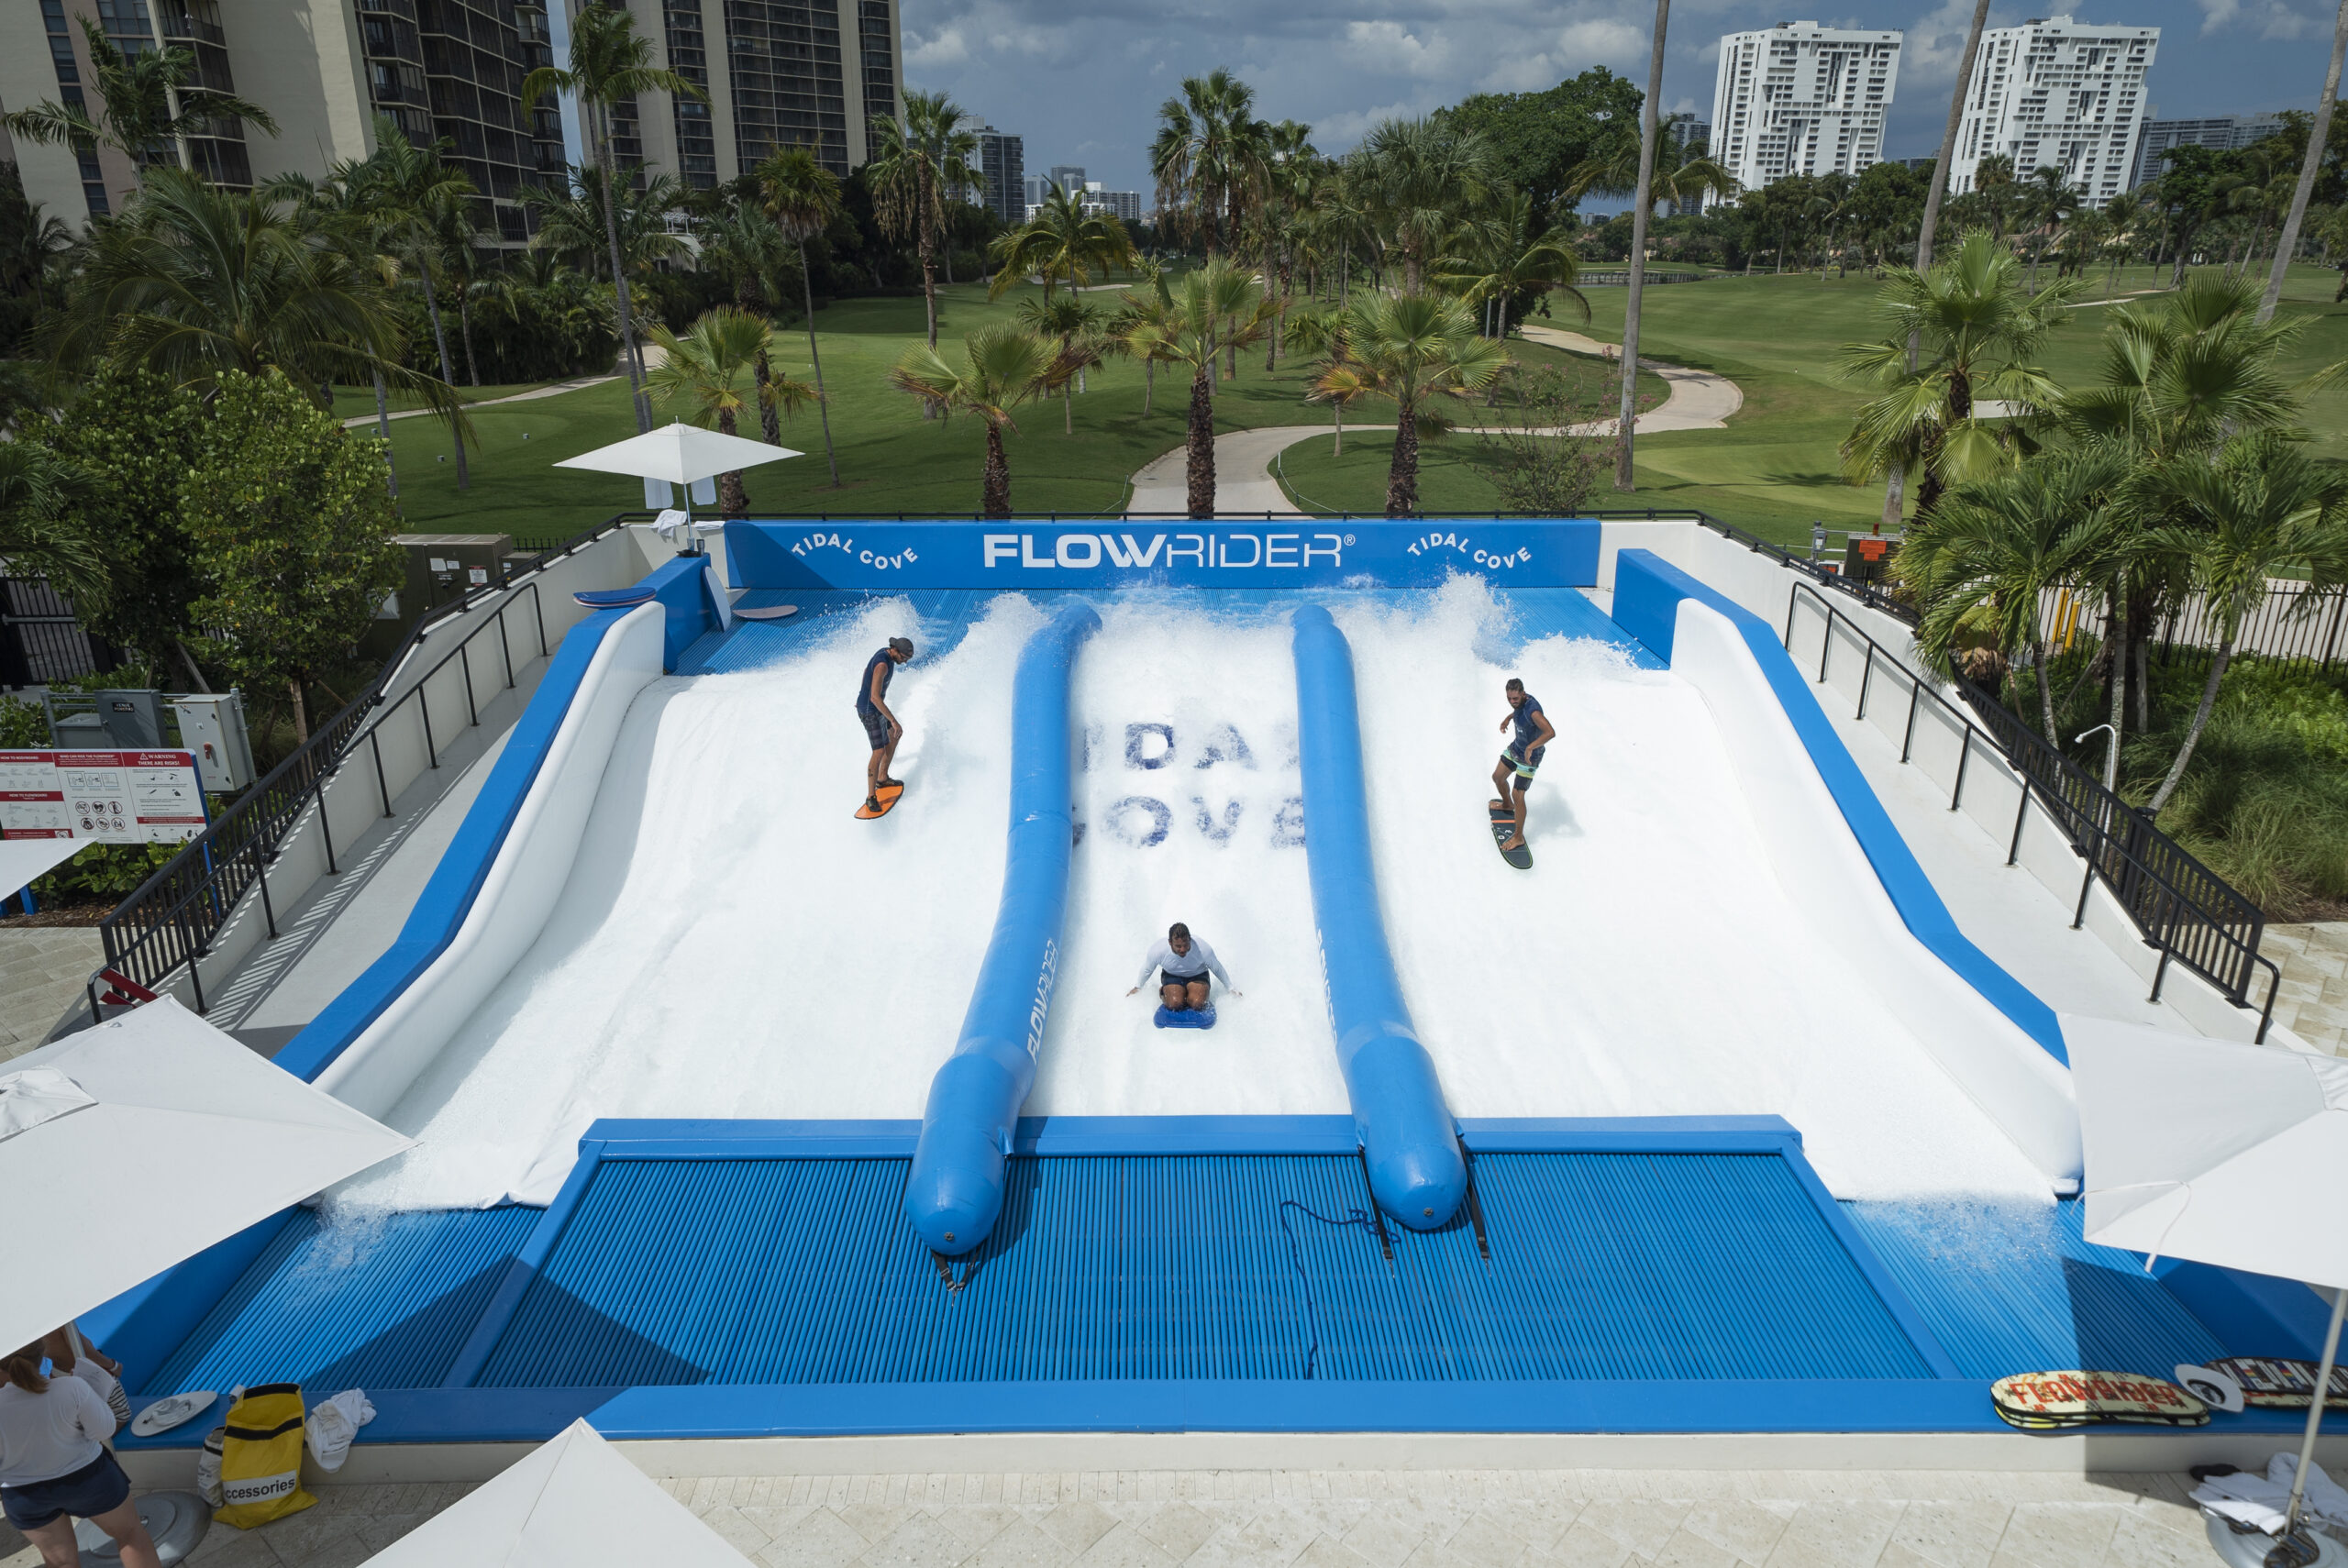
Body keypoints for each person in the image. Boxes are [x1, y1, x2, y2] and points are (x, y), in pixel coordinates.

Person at [2, 1335, 160, 1568]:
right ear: (41, 1355)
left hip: (26, 1496)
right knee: (130, 1536)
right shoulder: (71, 1388)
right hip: (89, 1479)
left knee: (61, 1562)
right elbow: (103, 1430)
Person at [1491, 677, 1556, 856]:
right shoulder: (1518, 705)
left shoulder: (1533, 710)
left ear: (1523, 694)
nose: (1512, 702)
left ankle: (1518, 836)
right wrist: (1506, 720)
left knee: (1518, 794)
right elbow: (1516, 712)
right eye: (1509, 699)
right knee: (1497, 777)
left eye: (1515, 699)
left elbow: (1550, 732)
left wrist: (1530, 747)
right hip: (1516, 748)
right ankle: (1507, 805)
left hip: (1530, 757)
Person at [1126, 922, 1238, 1013]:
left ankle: (1190, 993)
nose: (1183, 949)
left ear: (1190, 939)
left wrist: (1230, 988)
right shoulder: (1158, 950)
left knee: (1197, 1003)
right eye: (1178, 946)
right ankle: (1164, 992)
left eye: (1185, 944)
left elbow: (1217, 968)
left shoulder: (1203, 949)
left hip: (1198, 976)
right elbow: (1147, 969)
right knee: (1175, 1003)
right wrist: (1137, 987)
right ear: (1170, 943)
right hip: (1172, 976)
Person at [857, 637, 915, 812]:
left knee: (893, 736)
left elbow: (867, 670)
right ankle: (870, 797)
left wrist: (862, 691)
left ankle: (882, 778)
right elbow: (874, 697)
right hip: (869, 710)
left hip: (875, 707)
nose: (904, 662)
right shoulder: (883, 664)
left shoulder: (886, 654)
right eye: (904, 658)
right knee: (878, 751)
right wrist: (893, 720)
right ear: (895, 650)